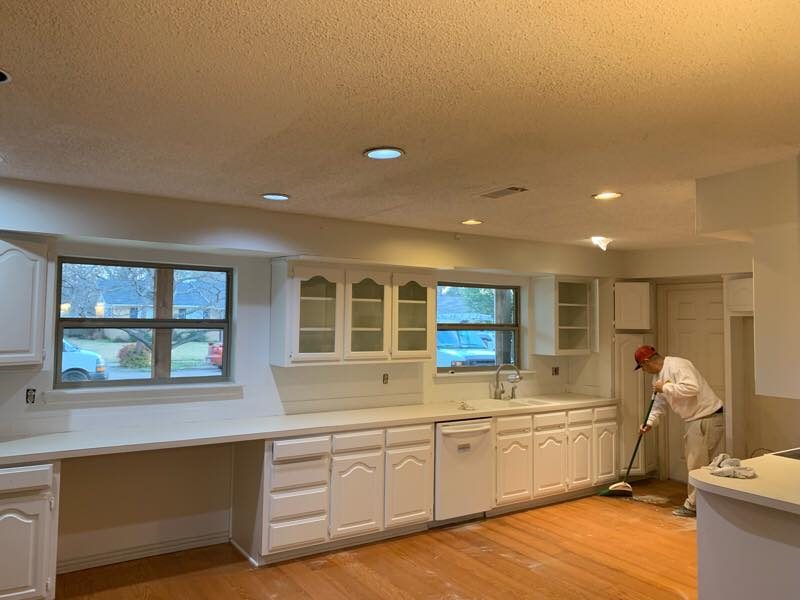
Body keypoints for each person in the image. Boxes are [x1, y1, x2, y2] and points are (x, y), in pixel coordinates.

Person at [634, 345, 725, 517]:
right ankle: (706, 506)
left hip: (706, 417)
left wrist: (665, 388)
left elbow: (692, 388)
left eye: (642, 367)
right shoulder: (657, 379)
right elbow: (658, 403)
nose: (643, 371)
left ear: (646, 362)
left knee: (696, 466)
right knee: (700, 465)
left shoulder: (678, 365)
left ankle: (693, 506)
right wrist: (649, 422)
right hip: (696, 419)